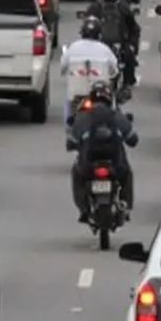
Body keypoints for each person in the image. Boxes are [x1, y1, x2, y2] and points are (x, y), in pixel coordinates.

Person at [66, 81, 138, 223]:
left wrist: (78, 145)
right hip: (116, 165)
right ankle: (125, 205)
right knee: (127, 175)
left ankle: (84, 209)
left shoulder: (83, 117)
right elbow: (133, 140)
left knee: (77, 174)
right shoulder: (117, 116)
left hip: (88, 165)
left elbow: (70, 143)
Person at [60, 17, 119, 128]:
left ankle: (68, 128)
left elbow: (62, 67)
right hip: (100, 94)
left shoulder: (73, 48)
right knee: (113, 107)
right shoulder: (105, 50)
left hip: (76, 94)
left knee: (68, 105)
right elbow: (114, 70)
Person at [84, 0, 140, 87]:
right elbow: (134, 28)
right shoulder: (122, 6)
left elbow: (84, 30)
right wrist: (132, 46)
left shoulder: (94, 7)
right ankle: (128, 82)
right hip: (115, 48)